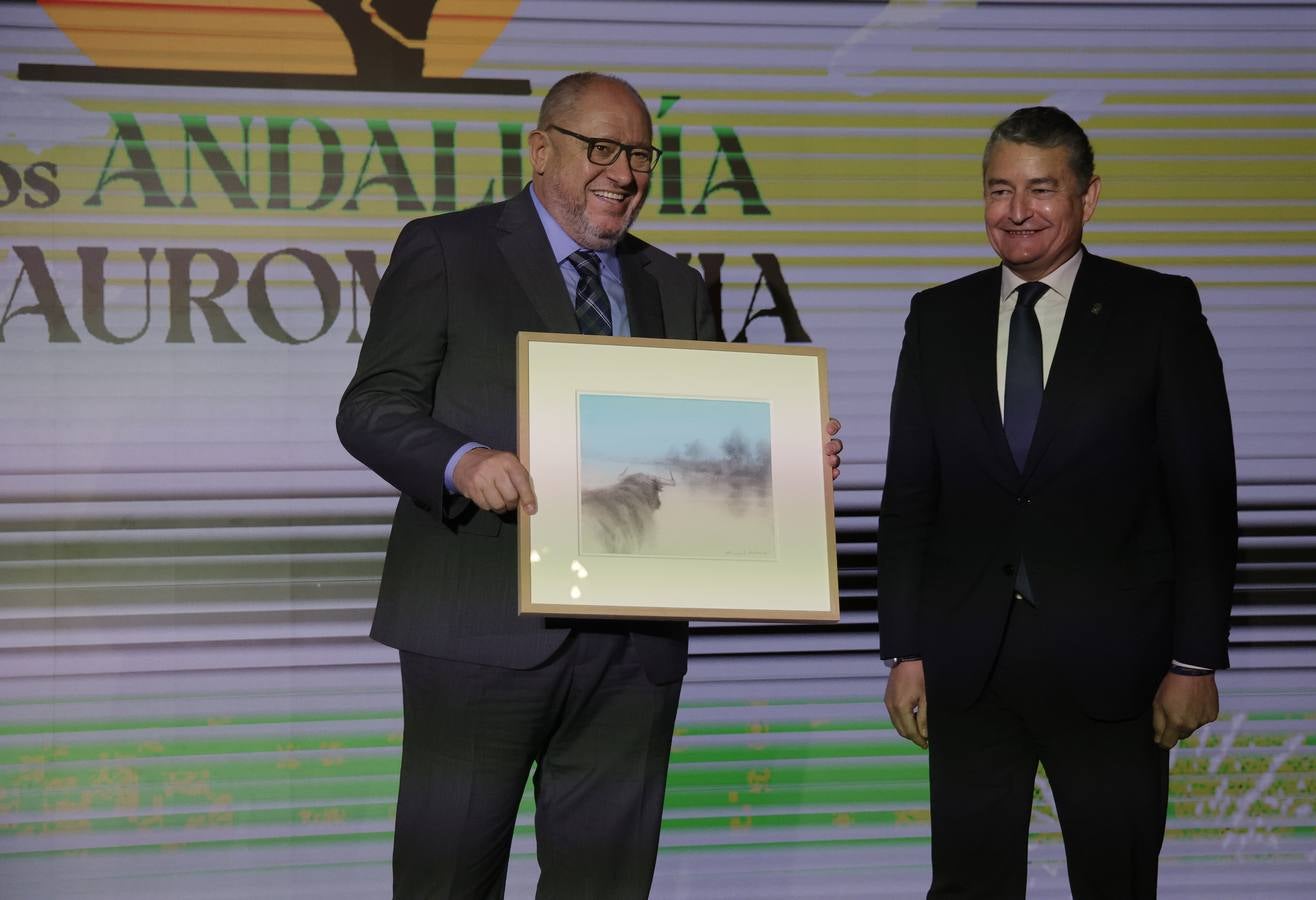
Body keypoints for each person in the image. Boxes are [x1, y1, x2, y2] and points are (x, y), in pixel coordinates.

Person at [337, 72, 841, 898]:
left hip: (630, 651)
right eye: (601, 148)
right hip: (477, 630)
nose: (624, 172)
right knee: (446, 879)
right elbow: (371, 408)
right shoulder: (446, 250)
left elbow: (694, 451)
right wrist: (461, 460)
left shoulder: (674, 286)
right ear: (541, 150)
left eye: (640, 153)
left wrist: (782, 463)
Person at [877, 106, 1236, 898]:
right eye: (998, 190)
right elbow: (909, 495)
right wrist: (902, 649)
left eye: (1041, 190)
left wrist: (1193, 660)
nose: (1016, 212)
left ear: (1088, 196)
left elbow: (1202, 500)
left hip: (1117, 668)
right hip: (968, 665)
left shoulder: (1159, 311)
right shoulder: (935, 316)